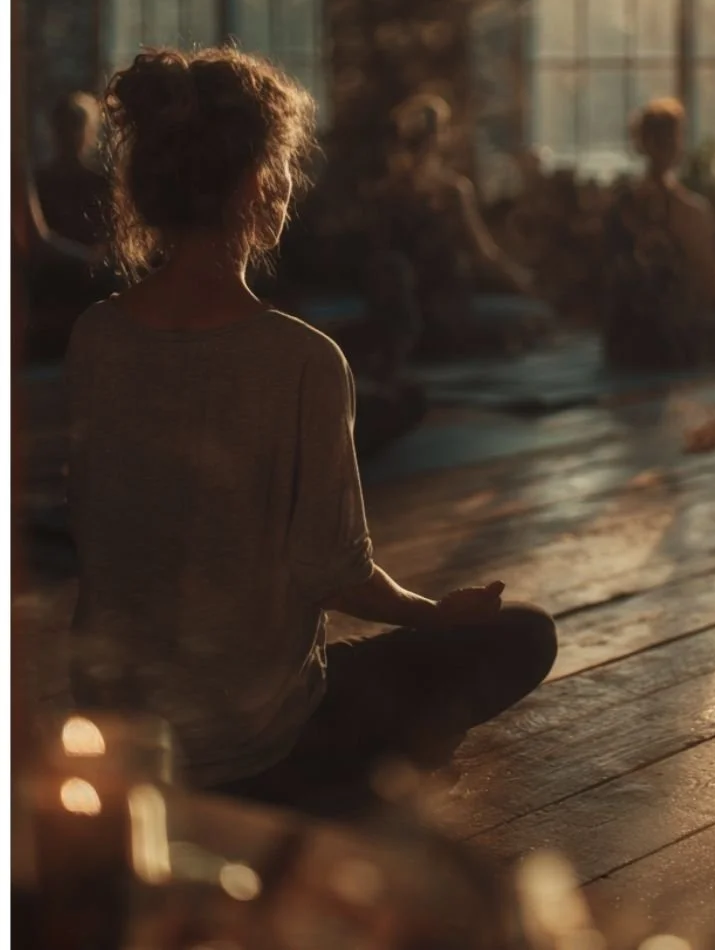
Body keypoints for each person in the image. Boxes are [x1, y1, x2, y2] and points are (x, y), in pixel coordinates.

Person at [65, 49, 557, 817]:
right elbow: (336, 574)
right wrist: (439, 616)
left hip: (121, 742)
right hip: (256, 745)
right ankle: (334, 784)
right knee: (525, 635)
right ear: (261, 186)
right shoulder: (301, 360)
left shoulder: (94, 338)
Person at [365, 93, 538, 356]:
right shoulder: (451, 191)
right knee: (532, 324)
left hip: (408, 313)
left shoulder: (385, 192)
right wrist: (520, 279)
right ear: (439, 138)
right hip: (441, 307)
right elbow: (483, 252)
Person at [603, 98, 715, 368]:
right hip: (671, 341)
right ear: (676, 144)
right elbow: (708, 282)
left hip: (621, 342)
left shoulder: (619, 204)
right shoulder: (691, 210)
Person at [34, 91, 110, 249]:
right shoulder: (40, 183)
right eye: (64, 127)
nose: (70, 135)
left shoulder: (99, 185)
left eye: (75, 126)